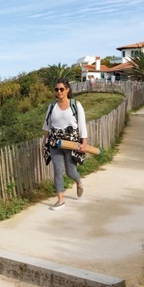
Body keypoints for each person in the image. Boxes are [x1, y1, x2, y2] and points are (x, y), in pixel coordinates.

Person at [42, 78, 88, 210]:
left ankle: (78, 181)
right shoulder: (52, 107)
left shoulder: (76, 105)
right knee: (57, 170)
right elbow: (47, 126)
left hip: (71, 143)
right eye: (56, 89)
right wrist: (44, 143)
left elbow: (82, 125)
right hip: (55, 143)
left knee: (70, 171)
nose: (59, 92)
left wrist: (84, 142)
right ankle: (60, 200)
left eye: (61, 89)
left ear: (67, 89)